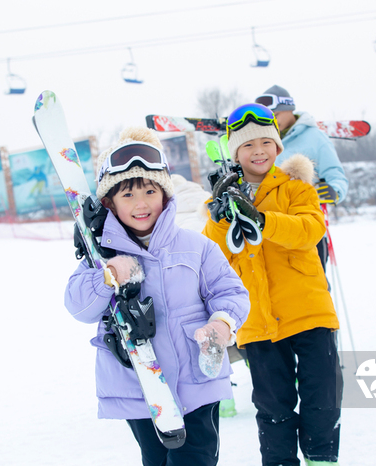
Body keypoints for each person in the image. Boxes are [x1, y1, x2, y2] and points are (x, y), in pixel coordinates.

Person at [64, 126, 250, 466]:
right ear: (109, 202)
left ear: (165, 194)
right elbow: (78, 307)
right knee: (156, 460)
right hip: (138, 385)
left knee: (196, 459)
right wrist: (106, 278)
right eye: (128, 196)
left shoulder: (196, 247)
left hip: (196, 380)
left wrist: (222, 325)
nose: (141, 204)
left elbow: (231, 292)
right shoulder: (101, 257)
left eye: (150, 191)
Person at [203, 104, 342, 466]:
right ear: (235, 152)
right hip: (258, 323)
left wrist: (262, 220)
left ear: (278, 147)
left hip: (309, 312)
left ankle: (321, 458)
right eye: (248, 145)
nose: (259, 150)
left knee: (323, 396)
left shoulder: (297, 187)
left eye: (266, 142)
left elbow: (309, 230)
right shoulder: (221, 200)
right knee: (273, 406)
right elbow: (212, 256)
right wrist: (220, 219)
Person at [255, 84, 348, 271]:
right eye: (268, 118)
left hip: (306, 223)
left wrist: (334, 190)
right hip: (272, 226)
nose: (272, 121)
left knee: (310, 279)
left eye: (276, 115)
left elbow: (336, 174)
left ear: (289, 109)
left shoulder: (315, 137)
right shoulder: (264, 142)